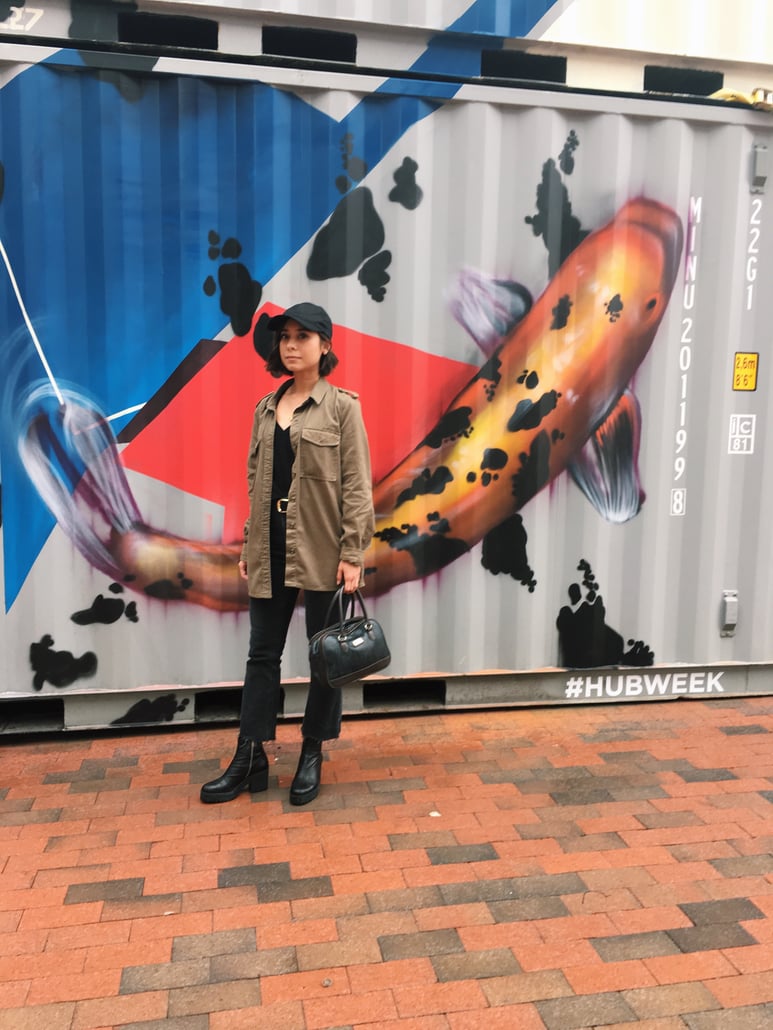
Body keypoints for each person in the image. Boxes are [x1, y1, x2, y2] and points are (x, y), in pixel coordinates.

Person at [201, 302, 374, 805]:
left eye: (303, 336)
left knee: (325, 656)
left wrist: (353, 552)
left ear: (325, 345)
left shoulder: (342, 407)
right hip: (270, 546)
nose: (292, 345)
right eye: (285, 337)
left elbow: (357, 487)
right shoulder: (263, 407)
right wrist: (250, 543)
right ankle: (249, 753)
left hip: (321, 546)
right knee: (261, 655)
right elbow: (256, 481)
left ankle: (313, 751)